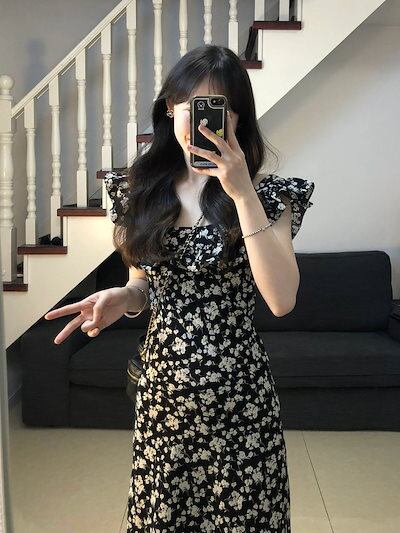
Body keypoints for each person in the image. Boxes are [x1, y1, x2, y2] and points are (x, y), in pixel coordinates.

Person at [45, 44, 315, 532]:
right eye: (192, 105)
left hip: (241, 401)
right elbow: (142, 282)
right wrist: (124, 297)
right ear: (170, 108)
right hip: (164, 401)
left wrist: (241, 192)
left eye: (220, 107)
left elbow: (281, 300)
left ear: (238, 119)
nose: (202, 119)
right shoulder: (137, 192)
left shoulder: (270, 195)